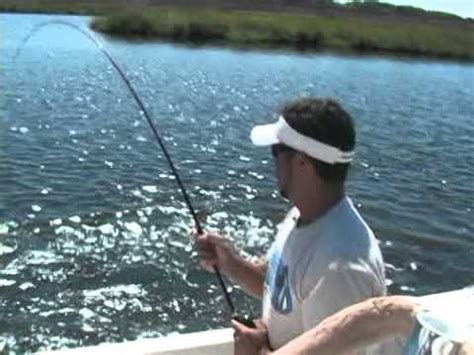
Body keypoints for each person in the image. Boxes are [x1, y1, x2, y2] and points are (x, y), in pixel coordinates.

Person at [196, 98, 391, 353]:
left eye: (275, 152)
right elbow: (275, 283)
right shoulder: (302, 216)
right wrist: (230, 263)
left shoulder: (339, 270)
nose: (272, 163)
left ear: (302, 162)